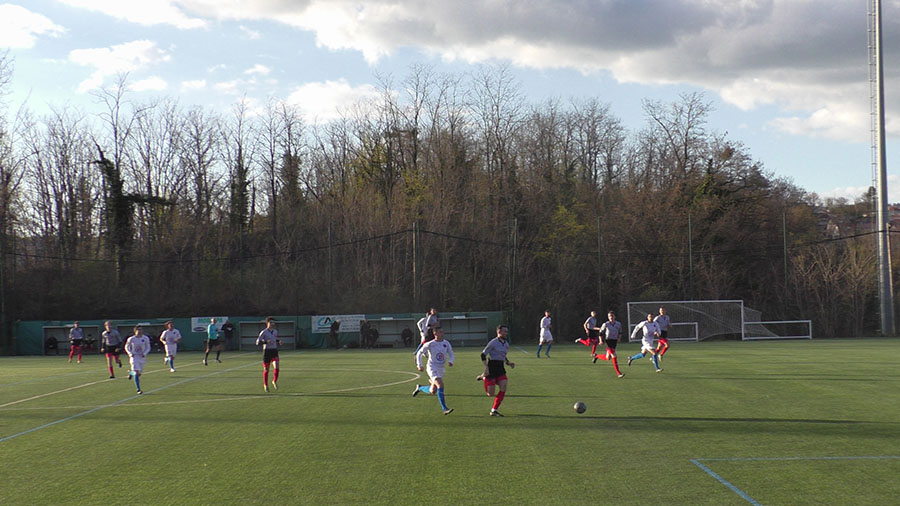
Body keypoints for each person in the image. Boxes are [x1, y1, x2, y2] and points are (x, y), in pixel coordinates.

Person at [412, 325, 455, 415]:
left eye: (443, 332)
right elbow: (419, 353)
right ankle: (444, 408)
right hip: (432, 367)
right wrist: (419, 365)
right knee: (440, 384)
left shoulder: (446, 343)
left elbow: (451, 353)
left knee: (433, 391)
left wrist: (451, 361)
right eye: (440, 332)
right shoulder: (430, 344)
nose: (442, 334)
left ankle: (420, 387)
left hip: (441, 368)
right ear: (435, 333)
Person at [477, 324, 515, 417]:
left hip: (501, 368)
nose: (506, 333)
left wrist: (508, 363)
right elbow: (483, 354)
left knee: (504, 387)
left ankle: (494, 410)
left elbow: (503, 356)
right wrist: (486, 367)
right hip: (492, 367)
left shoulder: (506, 344)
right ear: (499, 332)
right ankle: (484, 377)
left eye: (507, 331)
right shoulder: (493, 342)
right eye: (504, 331)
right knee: (491, 394)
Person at [593, 311, 625, 378]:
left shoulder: (618, 324)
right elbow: (600, 333)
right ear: (608, 317)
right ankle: (618, 373)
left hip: (614, 341)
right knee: (614, 355)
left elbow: (620, 332)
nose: (611, 317)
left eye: (612, 316)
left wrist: (619, 338)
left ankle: (597, 356)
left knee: (608, 358)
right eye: (609, 316)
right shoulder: (606, 324)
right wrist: (601, 340)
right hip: (607, 341)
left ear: (614, 316)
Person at [256, 317, 282, 392]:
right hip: (267, 352)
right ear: (267, 323)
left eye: (273, 323)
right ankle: (266, 385)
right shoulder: (263, 332)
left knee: (277, 367)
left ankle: (274, 381)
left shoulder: (275, 331)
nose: (272, 324)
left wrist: (279, 341)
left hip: (274, 351)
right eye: (270, 323)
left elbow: (274, 339)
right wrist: (266, 342)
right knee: (266, 370)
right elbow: (257, 342)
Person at [124, 325, 151, 394]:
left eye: (141, 330)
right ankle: (138, 389)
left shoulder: (145, 338)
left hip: (142, 357)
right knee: (136, 372)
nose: (139, 331)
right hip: (134, 357)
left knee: (139, 373)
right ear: (135, 331)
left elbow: (148, 347)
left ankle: (131, 373)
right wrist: (130, 354)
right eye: (138, 330)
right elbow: (127, 347)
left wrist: (144, 353)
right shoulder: (131, 339)